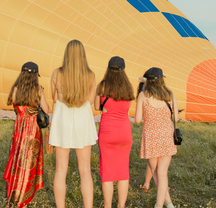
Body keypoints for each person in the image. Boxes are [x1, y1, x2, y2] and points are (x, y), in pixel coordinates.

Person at [48, 39, 98, 208]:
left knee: (60, 170)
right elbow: (90, 101)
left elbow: (54, 98)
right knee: (85, 170)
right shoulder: (91, 75)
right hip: (82, 119)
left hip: (62, 118)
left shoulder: (57, 72)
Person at [3, 61, 49, 208]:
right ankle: (23, 197)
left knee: (17, 162)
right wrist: (41, 96)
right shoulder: (38, 90)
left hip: (19, 131)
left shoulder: (16, 89)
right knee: (29, 164)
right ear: (35, 75)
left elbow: (15, 105)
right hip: (33, 131)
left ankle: (13, 194)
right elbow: (46, 111)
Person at [95, 56, 135, 208]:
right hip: (124, 132)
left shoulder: (102, 86)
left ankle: (107, 206)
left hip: (107, 132)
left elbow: (96, 106)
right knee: (123, 171)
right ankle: (121, 206)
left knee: (108, 173)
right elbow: (125, 108)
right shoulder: (128, 87)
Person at [135, 67, 177, 208]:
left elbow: (137, 119)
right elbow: (175, 117)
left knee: (155, 172)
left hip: (151, 136)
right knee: (163, 173)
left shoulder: (143, 95)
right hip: (166, 136)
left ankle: (163, 204)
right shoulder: (170, 94)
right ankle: (166, 204)